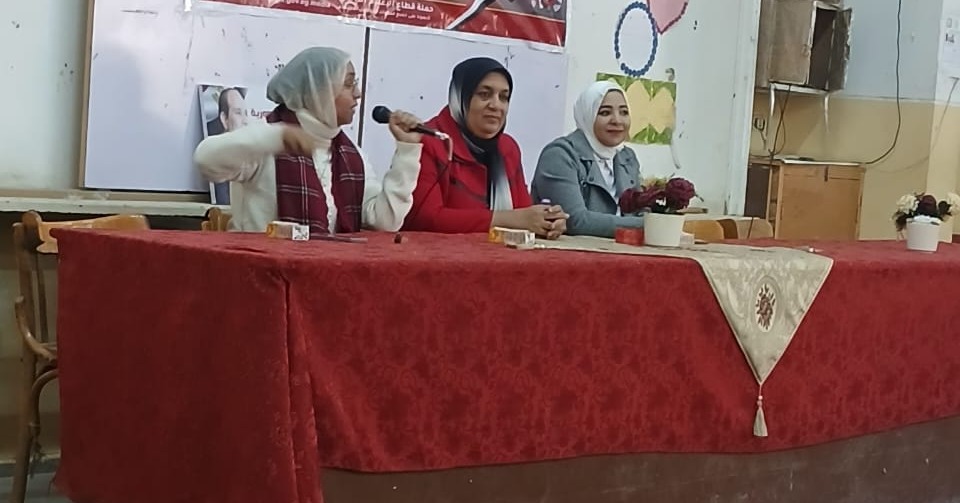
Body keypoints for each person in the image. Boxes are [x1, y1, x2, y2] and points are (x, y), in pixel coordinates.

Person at [194, 47, 424, 233]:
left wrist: (407, 151)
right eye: (348, 84)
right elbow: (205, 160)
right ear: (318, 91)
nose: (358, 93)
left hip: (325, 271)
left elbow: (384, 221)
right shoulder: (267, 138)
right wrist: (277, 137)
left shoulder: (350, 155)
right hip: (261, 271)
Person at [402, 57, 567, 238]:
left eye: (503, 97)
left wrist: (545, 222)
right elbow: (425, 219)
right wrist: (509, 219)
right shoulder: (429, 142)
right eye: (484, 94)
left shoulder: (508, 148)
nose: (496, 105)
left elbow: (523, 214)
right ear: (461, 98)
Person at [530, 80, 644, 238]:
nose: (617, 120)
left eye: (624, 112)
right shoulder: (560, 155)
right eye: (605, 113)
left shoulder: (627, 157)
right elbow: (575, 221)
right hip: (571, 251)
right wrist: (650, 226)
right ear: (588, 115)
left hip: (622, 248)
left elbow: (640, 210)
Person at [206, 87, 250, 204]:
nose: (245, 121)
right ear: (224, 119)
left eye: (246, 113)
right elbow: (224, 204)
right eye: (238, 113)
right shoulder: (217, 159)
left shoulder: (253, 158)